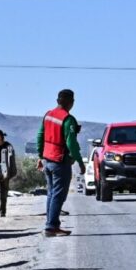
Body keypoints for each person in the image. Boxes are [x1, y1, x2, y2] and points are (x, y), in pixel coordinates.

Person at [37, 89, 84, 237]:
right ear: (71, 103)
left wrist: (40, 155)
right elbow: (71, 143)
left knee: (51, 193)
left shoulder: (48, 115)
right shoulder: (68, 119)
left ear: (58, 100)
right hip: (60, 161)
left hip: (48, 160)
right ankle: (51, 227)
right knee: (58, 194)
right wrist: (80, 161)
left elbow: (40, 136)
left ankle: (51, 224)